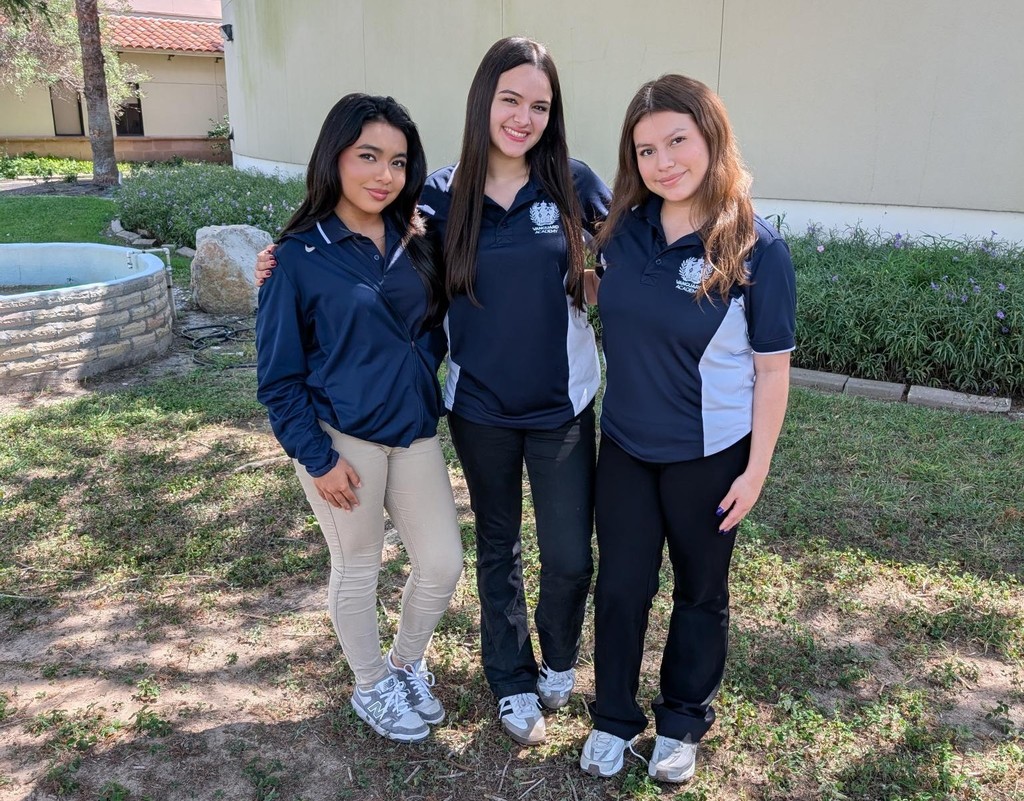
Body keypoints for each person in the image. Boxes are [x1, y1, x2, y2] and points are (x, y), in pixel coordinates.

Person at [257, 37, 610, 746]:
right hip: (476, 407)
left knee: (570, 556)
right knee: (496, 548)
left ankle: (558, 659)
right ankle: (509, 679)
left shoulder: (575, 182)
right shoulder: (439, 198)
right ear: (483, 100)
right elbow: (364, 250)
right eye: (509, 99)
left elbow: (637, 243)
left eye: (540, 105)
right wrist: (282, 259)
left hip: (561, 405)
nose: (523, 117)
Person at [577, 74, 796, 782]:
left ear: (711, 137)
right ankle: (613, 717)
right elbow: (603, 291)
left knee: (700, 592)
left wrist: (755, 470)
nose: (663, 162)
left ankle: (681, 721)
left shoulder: (756, 247)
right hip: (626, 448)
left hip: (711, 455)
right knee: (621, 588)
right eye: (646, 150)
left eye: (677, 141)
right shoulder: (623, 229)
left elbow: (773, 371)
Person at [254, 93, 464, 744]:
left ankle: (403, 665)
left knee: (442, 562)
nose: (385, 175)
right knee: (359, 563)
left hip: (413, 430)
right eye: (368, 156)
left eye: (398, 162)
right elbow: (278, 378)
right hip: (342, 439)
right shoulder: (295, 257)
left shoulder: (418, 239)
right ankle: (371, 684)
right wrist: (317, 458)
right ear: (334, 157)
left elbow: (433, 326)